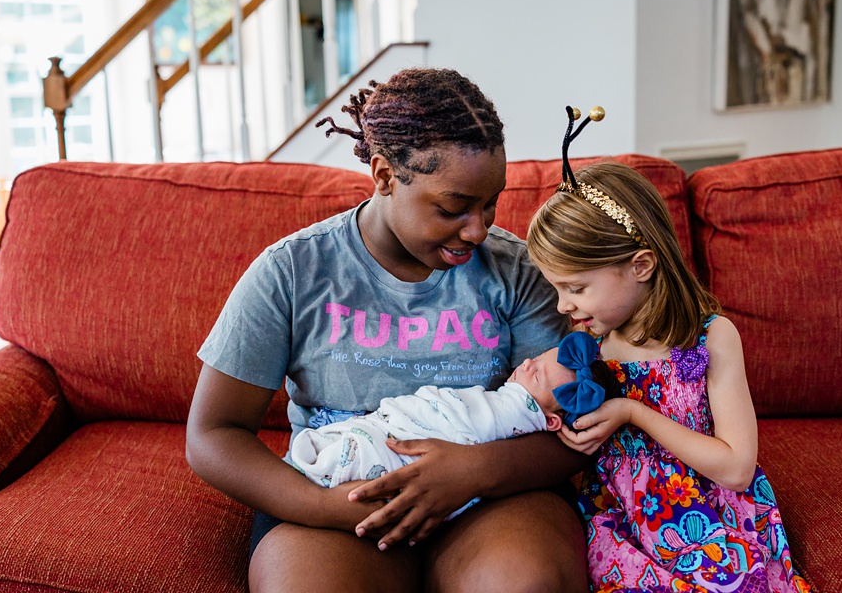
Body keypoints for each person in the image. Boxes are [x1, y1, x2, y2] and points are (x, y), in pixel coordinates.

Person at [185, 68, 589, 593]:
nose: (477, 229)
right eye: (453, 207)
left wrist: (473, 472)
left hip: (495, 490)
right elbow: (213, 435)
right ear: (383, 176)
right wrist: (325, 507)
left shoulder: (514, 271)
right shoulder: (293, 271)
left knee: (522, 581)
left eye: (490, 204)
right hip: (342, 497)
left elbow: (576, 424)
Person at [523, 107, 811, 593]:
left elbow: (737, 468)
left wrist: (631, 412)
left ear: (641, 265)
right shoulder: (588, 345)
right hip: (618, 524)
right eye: (556, 288)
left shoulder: (711, 337)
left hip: (707, 517)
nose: (563, 305)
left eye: (575, 288)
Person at [289, 331, 619, 492]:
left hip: (426, 449)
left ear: (550, 420)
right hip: (401, 420)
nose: (527, 363)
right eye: (535, 359)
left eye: (536, 374)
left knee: (376, 454)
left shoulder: (515, 412)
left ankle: (342, 457)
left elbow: (473, 427)